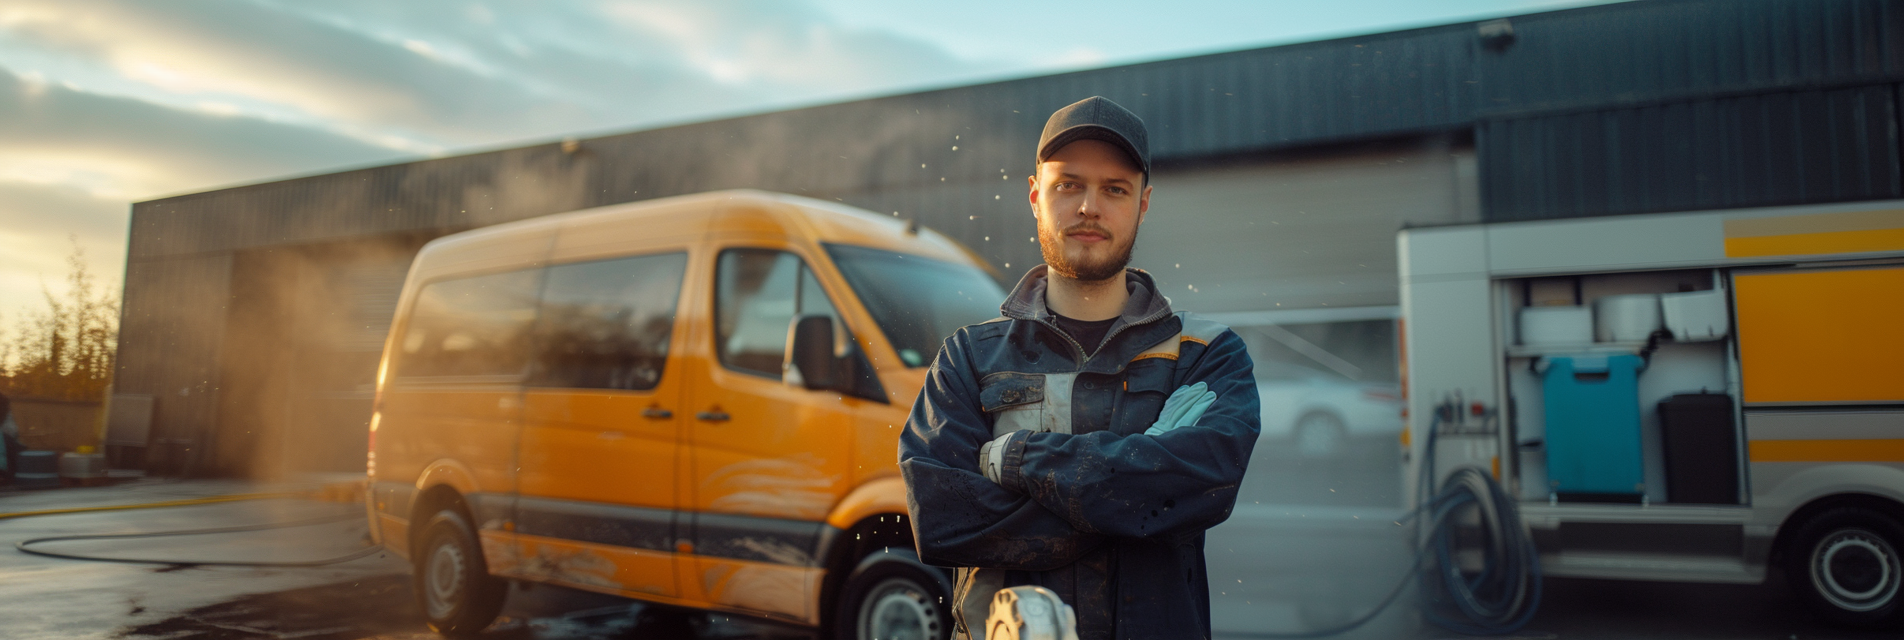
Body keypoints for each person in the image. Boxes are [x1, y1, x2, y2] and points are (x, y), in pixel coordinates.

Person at [900, 96, 1262, 640]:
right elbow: (942, 519)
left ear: (1142, 204)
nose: (1089, 206)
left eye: (1114, 188)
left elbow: (1208, 485)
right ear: (1034, 196)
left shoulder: (1206, 355)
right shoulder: (968, 358)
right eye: (1068, 184)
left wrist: (1022, 460)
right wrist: (1139, 495)